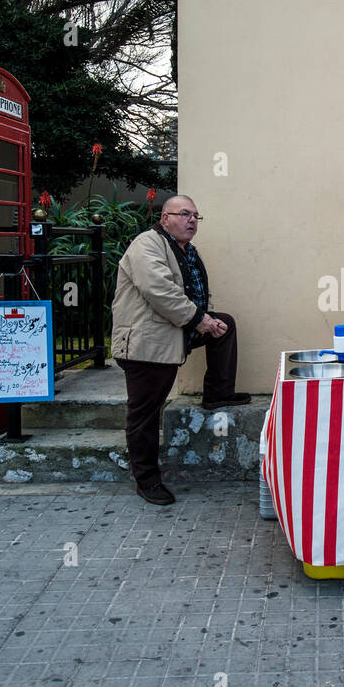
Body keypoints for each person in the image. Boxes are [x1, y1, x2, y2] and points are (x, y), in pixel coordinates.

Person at [110, 195, 250, 505]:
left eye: (196, 216)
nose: (191, 221)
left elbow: (191, 289)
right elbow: (159, 291)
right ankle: (146, 480)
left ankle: (218, 393)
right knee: (145, 414)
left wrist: (207, 318)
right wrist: (200, 320)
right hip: (146, 345)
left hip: (176, 331)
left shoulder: (184, 249)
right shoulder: (147, 245)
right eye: (184, 214)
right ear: (164, 219)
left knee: (224, 326)